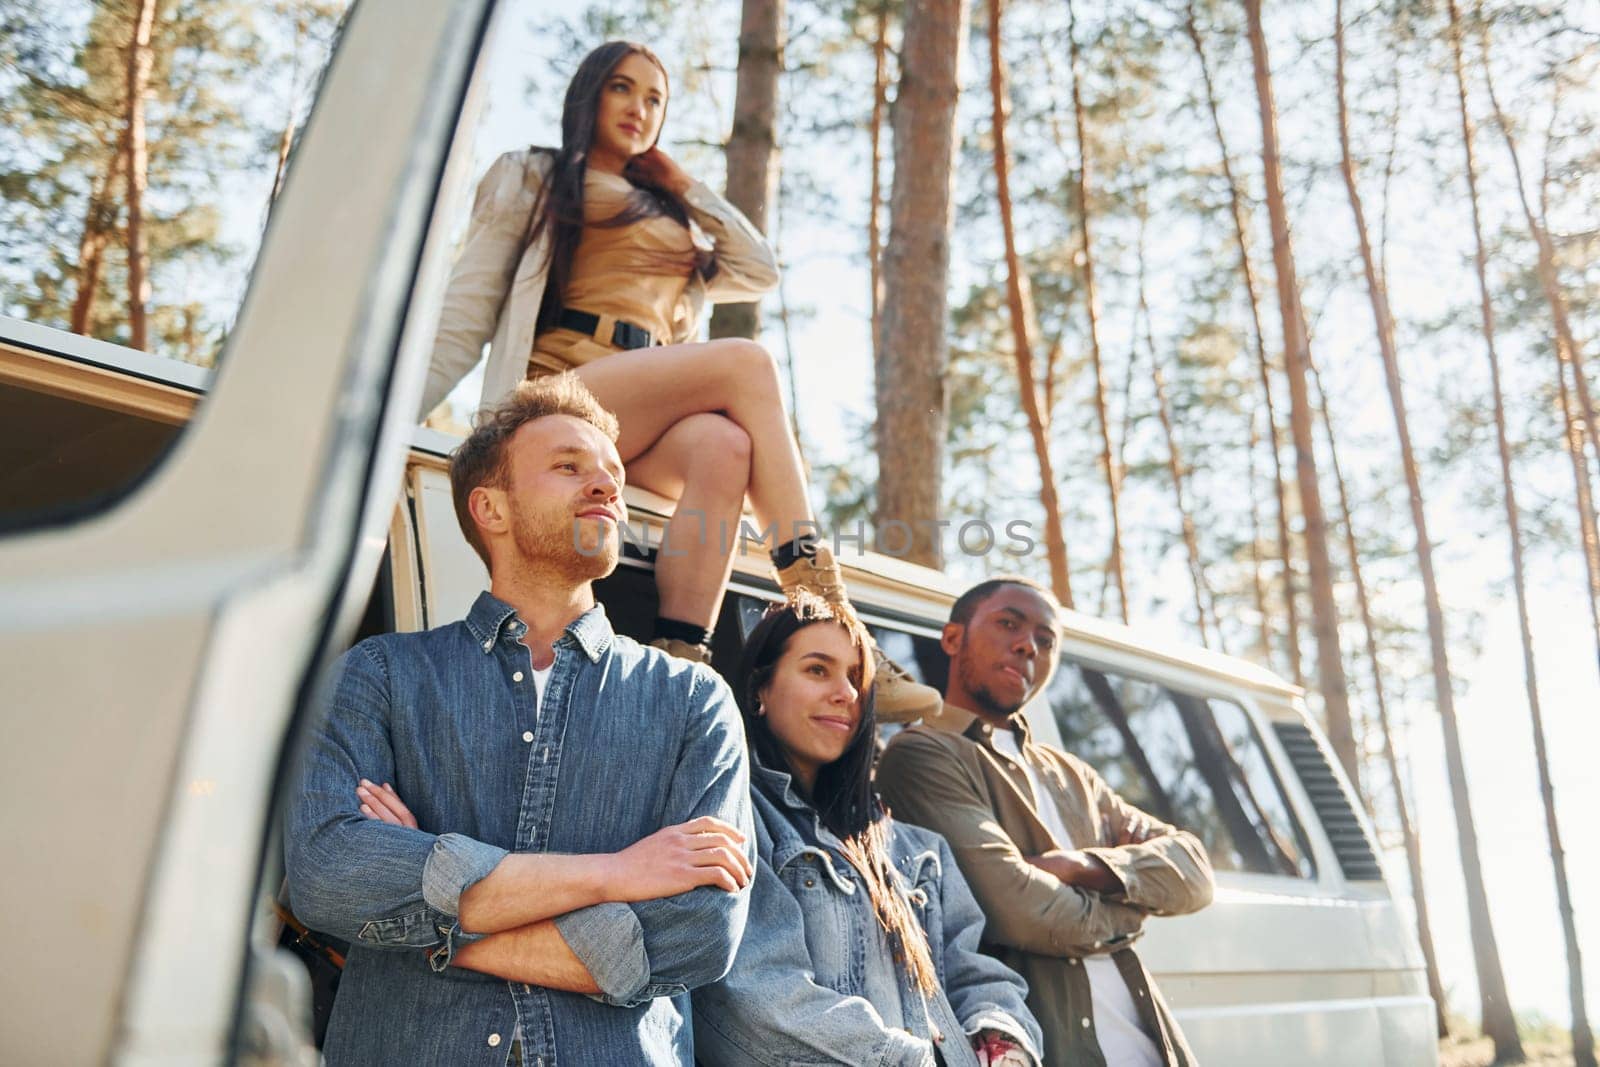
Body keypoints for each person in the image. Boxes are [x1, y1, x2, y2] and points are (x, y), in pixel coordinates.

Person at [422, 39, 937, 719]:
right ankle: (831, 612)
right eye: (623, 89)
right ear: (588, 95)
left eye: (656, 98)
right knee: (747, 362)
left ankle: (675, 668)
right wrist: (387, 417)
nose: (640, 107)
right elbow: (468, 306)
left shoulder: (669, 210)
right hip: (561, 394)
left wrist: (681, 185)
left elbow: (756, 267)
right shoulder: (536, 174)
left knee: (726, 446)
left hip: (635, 414)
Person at [285, 374, 756, 1065]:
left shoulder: (693, 698)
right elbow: (327, 872)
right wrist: (617, 873)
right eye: (569, 466)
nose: (605, 486)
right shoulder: (381, 672)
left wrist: (432, 911)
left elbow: (697, 932)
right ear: (491, 509)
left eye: (611, 473)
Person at [875, 577, 1216, 1067]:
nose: (1027, 645)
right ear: (952, 639)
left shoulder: (1072, 773)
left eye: (1046, 639)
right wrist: (1132, 906)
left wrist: (1081, 867)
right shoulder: (925, 753)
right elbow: (1017, 908)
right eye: (1008, 623)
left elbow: (1196, 872)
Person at [693, 594, 1043, 1067]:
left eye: (857, 678)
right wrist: (909, 1060)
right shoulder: (732, 818)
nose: (847, 694)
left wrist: (1003, 1043)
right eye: (818, 669)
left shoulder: (917, 849)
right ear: (760, 689)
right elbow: (751, 997)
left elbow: (975, 975)